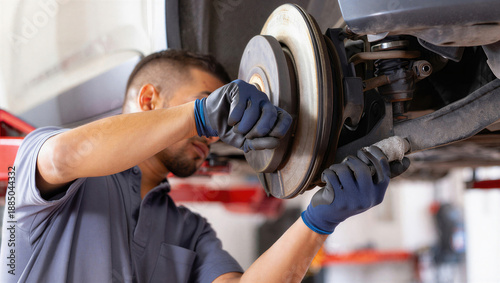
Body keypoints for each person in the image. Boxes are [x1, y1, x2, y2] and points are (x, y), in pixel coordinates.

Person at [0, 49, 409, 282]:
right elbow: (65, 155)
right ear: (148, 101)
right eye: (205, 101)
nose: (215, 134)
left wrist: (319, 219)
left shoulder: (187, 230)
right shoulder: (43, 181)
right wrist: (197, 115)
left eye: (217, 114)